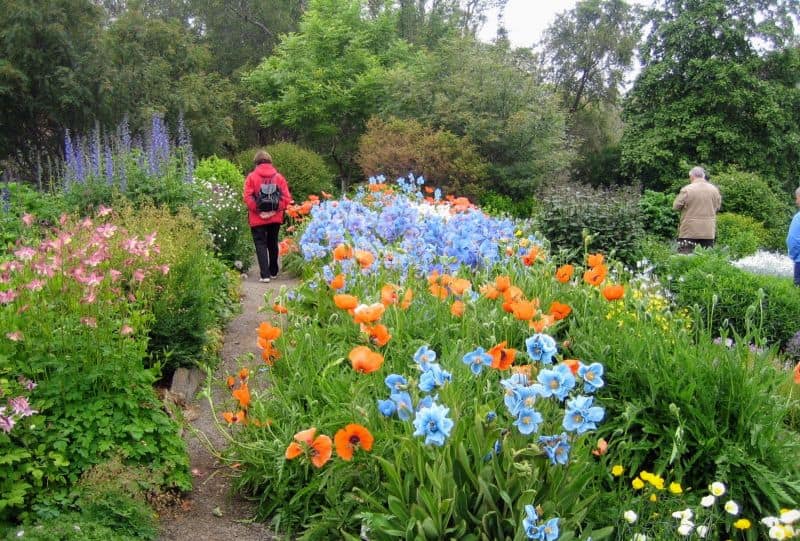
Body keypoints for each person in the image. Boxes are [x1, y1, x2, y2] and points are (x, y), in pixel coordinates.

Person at [243, 150, 292, 283]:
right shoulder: (279, 177)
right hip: (275, 218)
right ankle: (274, 271)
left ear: (256, 162)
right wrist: (274, 211)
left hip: (257, 218)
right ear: (270, 162)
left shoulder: (251, 177)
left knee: (260, 244)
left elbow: (247, 197)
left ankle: (265, 275)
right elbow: (286, 198)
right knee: (272, 242)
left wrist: (258, 211)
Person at [672, 166, 721, 254]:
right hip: (708, 230)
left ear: (692, 176)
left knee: (685, 257)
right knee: (706, 258)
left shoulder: (687, 189)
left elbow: (676, 206)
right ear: (703, 176)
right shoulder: (714, 190)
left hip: (689, 230)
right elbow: (717, 207)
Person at [787, 187, 800, 286]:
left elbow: (793, 241)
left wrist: (793, 256)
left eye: (797, 198)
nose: (796, 201)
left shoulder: (798, 218)